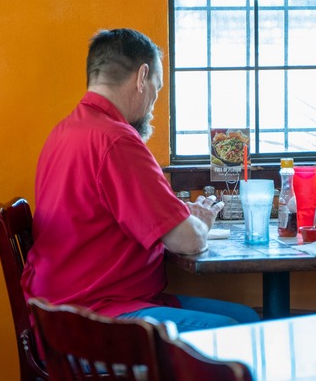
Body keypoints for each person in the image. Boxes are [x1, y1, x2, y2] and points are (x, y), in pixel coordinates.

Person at [22, 28, 260, 331]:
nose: (152, 104)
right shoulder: (117, 141)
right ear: (141, 76)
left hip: (57, 307)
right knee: (238, 331)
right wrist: (200, 222)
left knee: (248, 320)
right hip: (92, 316)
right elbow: (188, 240)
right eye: (156, 89)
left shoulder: (64, 131)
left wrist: (181, 219)